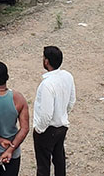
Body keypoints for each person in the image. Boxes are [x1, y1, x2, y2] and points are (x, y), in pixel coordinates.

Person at [33, 46, 75, 176]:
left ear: (46, 61)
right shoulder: (67, 76)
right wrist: (63, 114)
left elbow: (46, 114)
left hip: (47, 129)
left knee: (43, 166)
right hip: (62, 126)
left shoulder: (47, 85)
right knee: (59, 160)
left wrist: (39, 129)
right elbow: (72, 101)